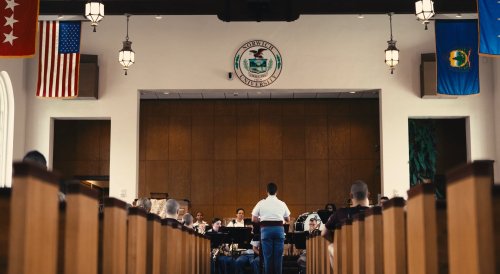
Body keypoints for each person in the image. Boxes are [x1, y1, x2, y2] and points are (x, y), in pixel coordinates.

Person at [322, 180, 371, 268]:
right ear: (368, 195)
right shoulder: (377, 213)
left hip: (348, 255)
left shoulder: (341, 213)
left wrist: (334, 242)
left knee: (331, 247)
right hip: (373, 253)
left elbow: (324, 233)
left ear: (351, 195)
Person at [252, 182, 290, 274]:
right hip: (279, 230)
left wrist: (261, 220)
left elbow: (253, 218)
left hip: (266, 231)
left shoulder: (261, 203)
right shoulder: (282, 203)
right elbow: (288, 219)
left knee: (267, 258)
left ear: (267, 191)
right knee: (278, 258)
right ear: (276, 192)